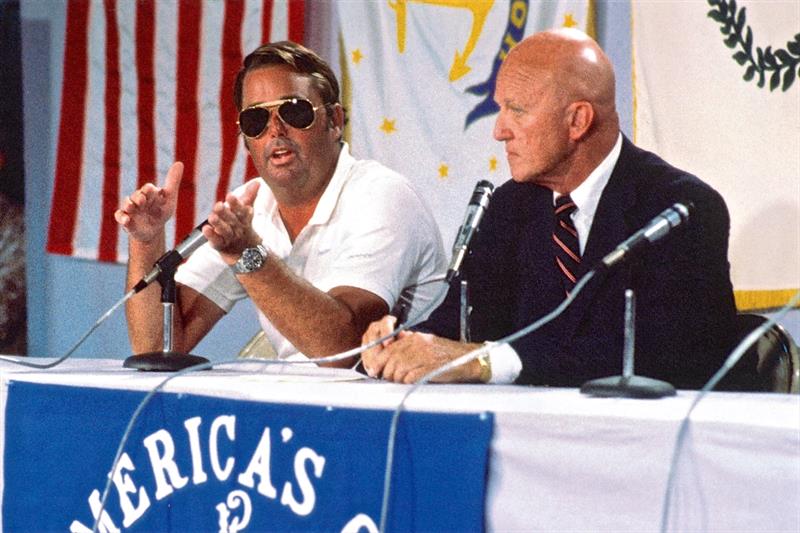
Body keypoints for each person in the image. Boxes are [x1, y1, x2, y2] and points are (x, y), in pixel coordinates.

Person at [361, 28, 740, 388]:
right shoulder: (509, 207)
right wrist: (400, 345)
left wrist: (483, 362)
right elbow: (462, 325)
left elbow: (666, 355)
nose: (499, 130)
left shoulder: (681, 210)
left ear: (578, 120)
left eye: (517, 110)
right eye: (500, 108)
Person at [115, 41, 445, 365]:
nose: (275, 130)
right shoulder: (252, 204)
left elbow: (342, 349)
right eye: (255, 120)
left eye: (294, 111)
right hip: (301, 406)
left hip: (395, 407)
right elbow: (155, 345)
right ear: (246, 138)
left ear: (333, 121)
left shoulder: (383, 196)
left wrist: (248, 256)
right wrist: (146, 242)